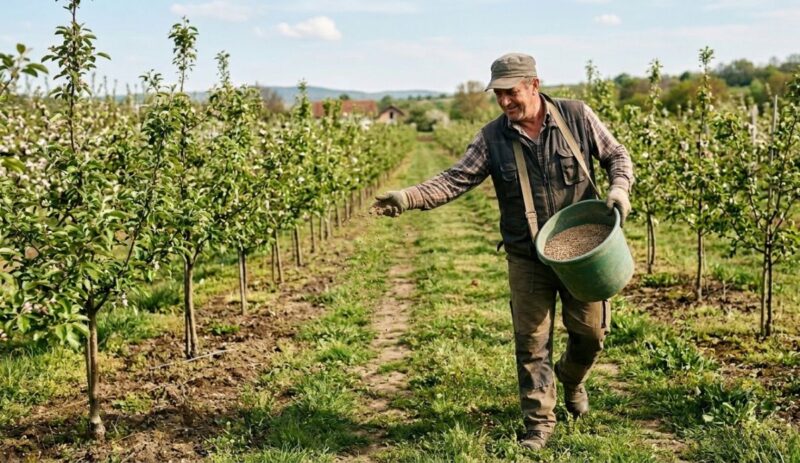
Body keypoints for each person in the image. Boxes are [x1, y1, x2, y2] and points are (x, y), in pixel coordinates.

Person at [371, 52, 634, 450]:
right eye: (498, 95)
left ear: (534, 84)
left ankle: (573, 378)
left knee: (592, 334)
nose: (505, 102)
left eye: (512, 92)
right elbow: (455, 179)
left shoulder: (577, 116)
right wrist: (408, 197)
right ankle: (539, 423)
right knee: (531, 340)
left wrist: (619, 188)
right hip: (529, 255)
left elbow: (617, 155)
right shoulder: (492, 137)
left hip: (585, 250)